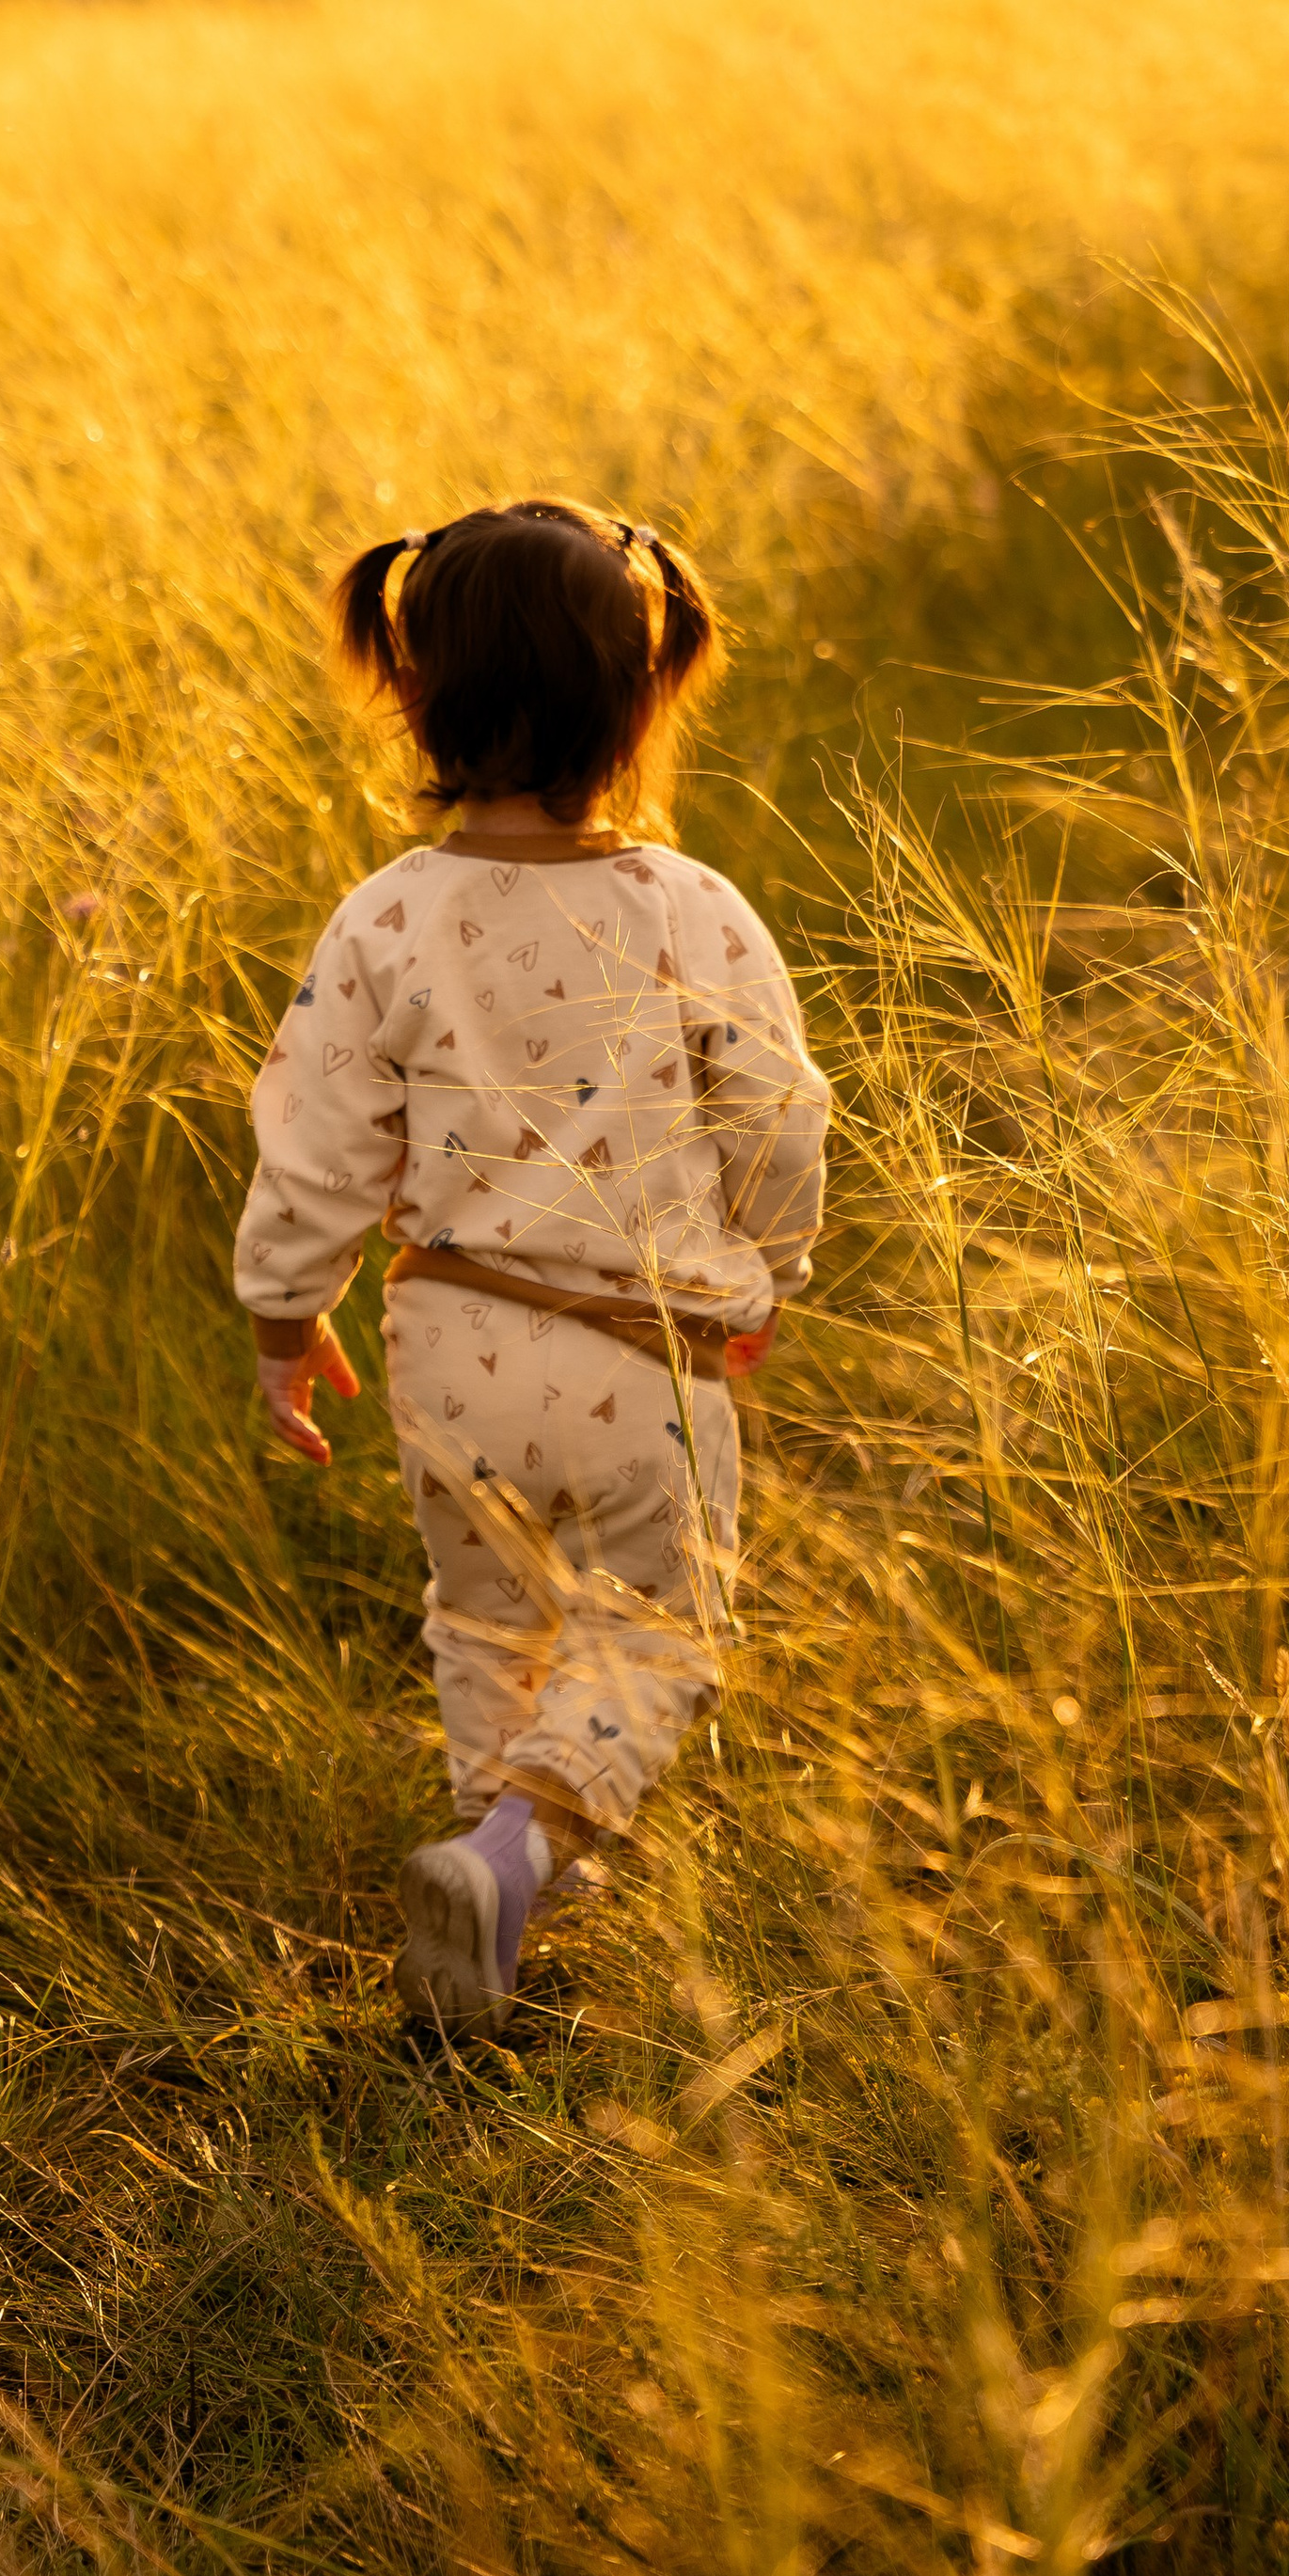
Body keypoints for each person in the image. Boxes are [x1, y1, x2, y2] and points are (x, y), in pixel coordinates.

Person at [233, 498, 831, 2042]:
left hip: (446, 1344)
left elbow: (313, 1133)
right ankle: (520, 1851)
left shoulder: (387, 914)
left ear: (416, 692)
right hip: (645, 1353)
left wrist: (283, 1315)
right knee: (662, 1626)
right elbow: (776, 1113)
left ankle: (494, 1893)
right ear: (641, 700)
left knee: (488, 1616)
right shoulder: (692, 911)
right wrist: (766, 1270)